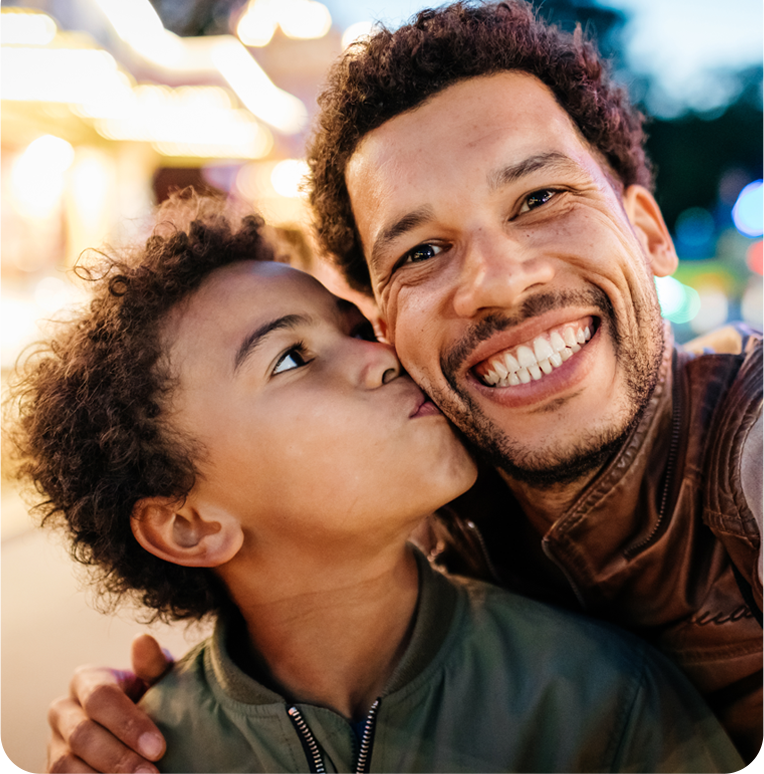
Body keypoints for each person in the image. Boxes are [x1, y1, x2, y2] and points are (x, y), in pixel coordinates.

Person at [46, 0, 764, 772]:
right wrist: (146, 719)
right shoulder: (425, 511)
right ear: (388, 321)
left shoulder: (747, 457)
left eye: (540, 198)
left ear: (651, 234)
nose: (497, 281)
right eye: (422, 251)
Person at [12, 196, 747, 774]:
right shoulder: (142, 750)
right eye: (294, 358)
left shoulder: (596, 698)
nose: (382, 358)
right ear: (189, 524)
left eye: (356, 329)